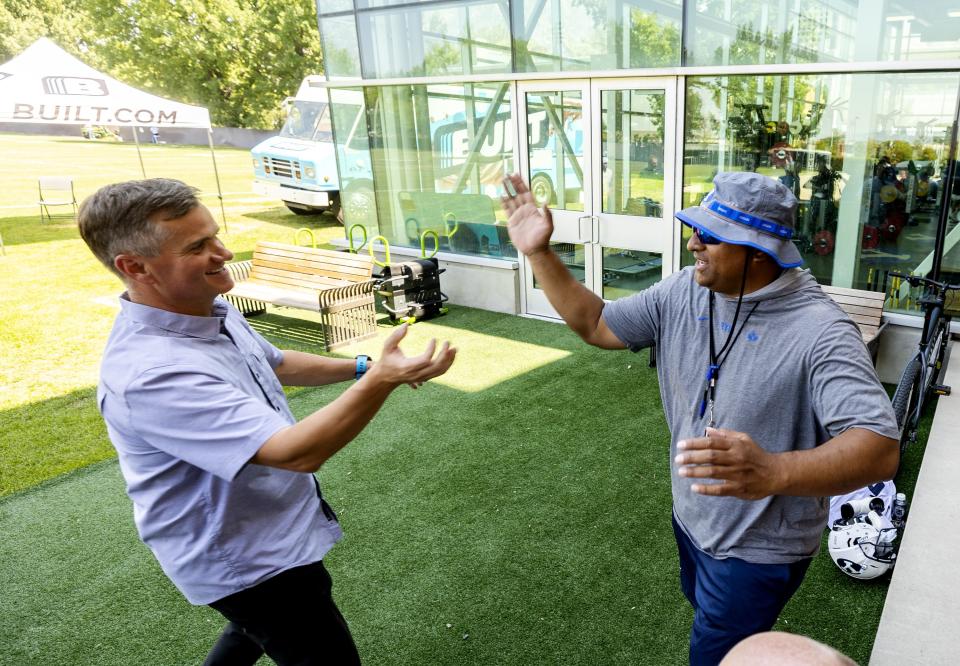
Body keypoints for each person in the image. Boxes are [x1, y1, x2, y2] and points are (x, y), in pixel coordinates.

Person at [501, 170, 899, 666]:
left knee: (715, 655)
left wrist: (773, 472)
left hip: (758, 551)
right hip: (691, 519)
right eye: (695, 229)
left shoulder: (820, 332)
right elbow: (597, 323)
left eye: (709, 236)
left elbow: (879, 447)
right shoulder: (684, 291)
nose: (693, 244)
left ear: (756, 250)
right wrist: (540, 252)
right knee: (699, 605)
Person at [78, 178, 456, 666]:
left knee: (254, 629)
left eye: (215, 235)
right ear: (134, 267)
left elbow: (274, 362)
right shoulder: (153, 373)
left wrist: (362, 366)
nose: (223, 251)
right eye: (198, 246)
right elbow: (297, 452)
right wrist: (380, 381)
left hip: (271, 531)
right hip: (246, 560)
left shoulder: (208, 307)